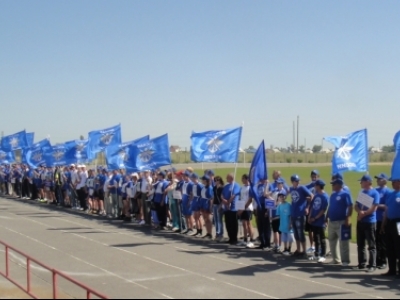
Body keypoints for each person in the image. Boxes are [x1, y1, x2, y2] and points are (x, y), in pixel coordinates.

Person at [355, 175, 380, 273]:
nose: (361, 183)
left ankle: (372, 264)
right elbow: (356, 205)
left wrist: (364, 213)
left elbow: (374, 207)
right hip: (361, 221)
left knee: (371, 244)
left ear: (367, 182)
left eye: (362, 181)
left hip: (370, 221)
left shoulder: (374, 193)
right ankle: (362, 263)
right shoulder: (361, 192)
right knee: (360, 244)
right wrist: (359, 212)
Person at [327, 178, 353, 267]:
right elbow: (330, 206)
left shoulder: (345, 194)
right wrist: (327, 216)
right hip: (332, 221)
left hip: (341, 221)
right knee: (332, 241)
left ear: (338, 185)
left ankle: (345, 260)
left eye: (333, 184)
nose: (332, 186)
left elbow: (350, 206)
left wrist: (348, 218)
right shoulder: (333, 195)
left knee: (343, 242)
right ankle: (335, 259)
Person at [289, 175, 313, 258]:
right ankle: (298, 250)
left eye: (298, 180)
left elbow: (311, 196)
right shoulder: (291, 189)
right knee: (296, 234)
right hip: (293, 213)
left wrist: (307, 207)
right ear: (292, 182)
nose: (298, 182)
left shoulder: (302, 188)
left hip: (300, 214)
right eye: (296, 181)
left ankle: (304, 251)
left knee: (301, 233)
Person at [381, 178, 400, 277]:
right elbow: (386, 210)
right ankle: (392, 270)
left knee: (398, 246)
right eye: (392, 182)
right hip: (390, 222)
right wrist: (383, 224)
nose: (392, 183)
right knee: (390, 247)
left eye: (395, 181)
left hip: (399, 222)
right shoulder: (390, 194)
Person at [308, 180, 329, 263]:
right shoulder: (316, 195)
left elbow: (323, 210)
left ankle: (323, 255)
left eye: (316, 186)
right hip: (313, 220)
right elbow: (312, 206)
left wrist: (315, 218)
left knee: (322, 238)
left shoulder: (325, 196)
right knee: (315, 238)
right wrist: (309, 216)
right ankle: (317, 254)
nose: (315, 187)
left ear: (319, 186)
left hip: (320, 221)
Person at [374, 173, 391, 269]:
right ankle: (377, 260)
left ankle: (383, 261)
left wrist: (376, 205)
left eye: (379, 179)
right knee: (376, 241)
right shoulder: (375, 190)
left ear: (384, 180)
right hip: (374, 219)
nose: (377, 180)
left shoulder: (388, 192)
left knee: (383, 241)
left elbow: (386, 206)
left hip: (382, 219)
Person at [222, 173, 240, 245]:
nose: (226, 179)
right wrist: (224, 200)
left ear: (231, 178)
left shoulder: (236, 185)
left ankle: (234, 238)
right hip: (226, 208)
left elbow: (233, 195)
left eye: (227, 178)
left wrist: (229, 202)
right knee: (228, 223)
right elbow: (222, 194)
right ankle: (230, 237)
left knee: (233, 224)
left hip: (233, 207)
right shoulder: (226, 186)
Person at [237, 174, 255, 248]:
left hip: (248, 208)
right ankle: (245, 239)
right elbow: (240, 198)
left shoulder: (250, 188)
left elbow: (250, 199)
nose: (242, 180)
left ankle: (251, 240)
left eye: (243, 179)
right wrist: (239, 207)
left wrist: (244, 208)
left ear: (247, 179)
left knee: (248, 224)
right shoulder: (242, 187)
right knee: (244, 224)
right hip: (242, 207)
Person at [255, 178, 273, 251]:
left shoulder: (269, 185)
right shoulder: (258, 186)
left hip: (266, 206)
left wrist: (268, 210)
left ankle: (267, 243)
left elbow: (270, 196)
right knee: (260, 225)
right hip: (259, 206)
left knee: (266, 226)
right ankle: (262, 242)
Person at [305, 170, 320, 255]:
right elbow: (305, 197)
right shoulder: (308, 186)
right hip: (309, 210)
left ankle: (319, 246)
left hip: (317, 211)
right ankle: (312, 246)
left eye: (315, 176)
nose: (314, 177)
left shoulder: (319, 187)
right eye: (313, 176)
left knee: (317, 230)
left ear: (318, 177)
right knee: (310, 230)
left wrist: (311, 198)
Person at [275, 191, 294, 256]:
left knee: (290, 238)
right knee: (284, 238)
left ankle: (289, 248)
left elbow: (291, 215)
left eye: (283, 196)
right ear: (278, 198)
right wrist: (272, 219)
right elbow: (278, 216)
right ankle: (285, 248)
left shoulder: (288, 205)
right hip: (282, 225)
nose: (282, 198)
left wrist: (291, 223)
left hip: (288, 224)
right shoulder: (279, 206)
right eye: (280, 197)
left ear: (285, 197)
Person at [200, 175, 214, 239]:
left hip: (207, 203)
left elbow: (211, 198)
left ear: (205, 180)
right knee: (205, 218)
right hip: (203, 202)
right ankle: (207, 232)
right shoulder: (204, 187)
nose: (202, 181)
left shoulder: (210, 188)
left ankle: (210, 233)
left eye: (203, 179)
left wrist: (210, 207)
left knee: (208, 219)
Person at [213, 176, 225, 241]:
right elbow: (214, 196)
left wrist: (221, 205)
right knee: (216, 220)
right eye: (215, 180)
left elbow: (222, 198)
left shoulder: (222, 188)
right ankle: (217, 233)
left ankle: (221, 234)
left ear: (220, 181)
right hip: (215, 204)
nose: (215, 182)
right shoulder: (214, 188)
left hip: (219, 205)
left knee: (219, 220)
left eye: (217, 180)